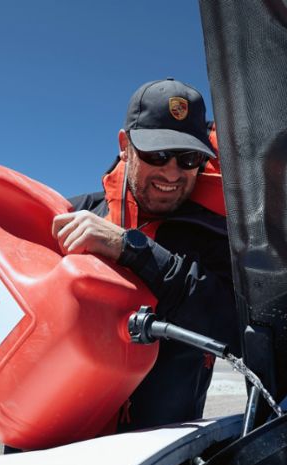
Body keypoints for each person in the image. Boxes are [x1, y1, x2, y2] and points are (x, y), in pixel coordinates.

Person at [52, 78, 239, 433]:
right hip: (57, 443)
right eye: (157, 153)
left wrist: (132, 249)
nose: (172, 172)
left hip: (157, 459)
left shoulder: (217, 238)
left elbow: (235, 330)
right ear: (125, 145)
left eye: (189, 159)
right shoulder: (74, 214)